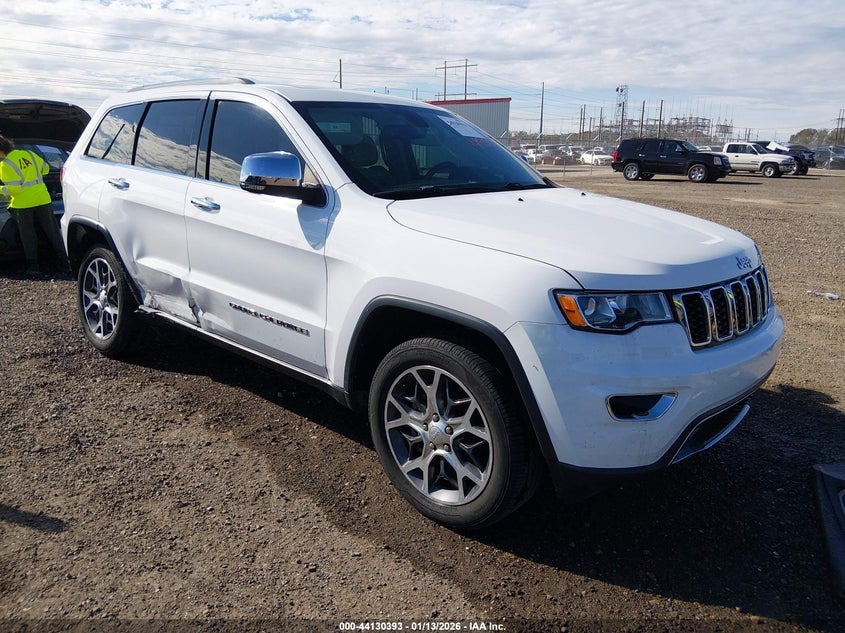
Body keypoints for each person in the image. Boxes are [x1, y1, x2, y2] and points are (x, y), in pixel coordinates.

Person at [0, 133, 68, 275]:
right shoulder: (29, 154)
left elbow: (15, 190)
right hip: (43, 198)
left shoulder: (5, 165)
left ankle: (34, 267)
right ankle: (66, 264)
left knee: (28, 236)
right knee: (53, 232)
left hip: (23, 204)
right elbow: (46, 169)